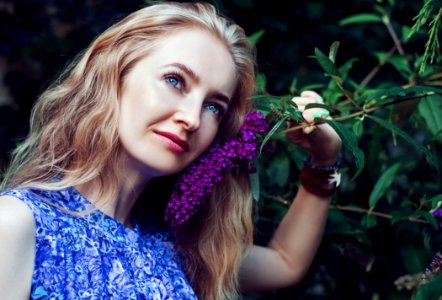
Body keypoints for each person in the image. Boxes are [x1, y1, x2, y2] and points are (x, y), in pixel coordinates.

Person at [0, 2, 342, 299]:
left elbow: (286, 263)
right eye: (175, 81)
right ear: (115, 73)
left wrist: (323, 162)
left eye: (214, 107)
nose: (192, 118)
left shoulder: (178, 244)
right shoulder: (16, 222)